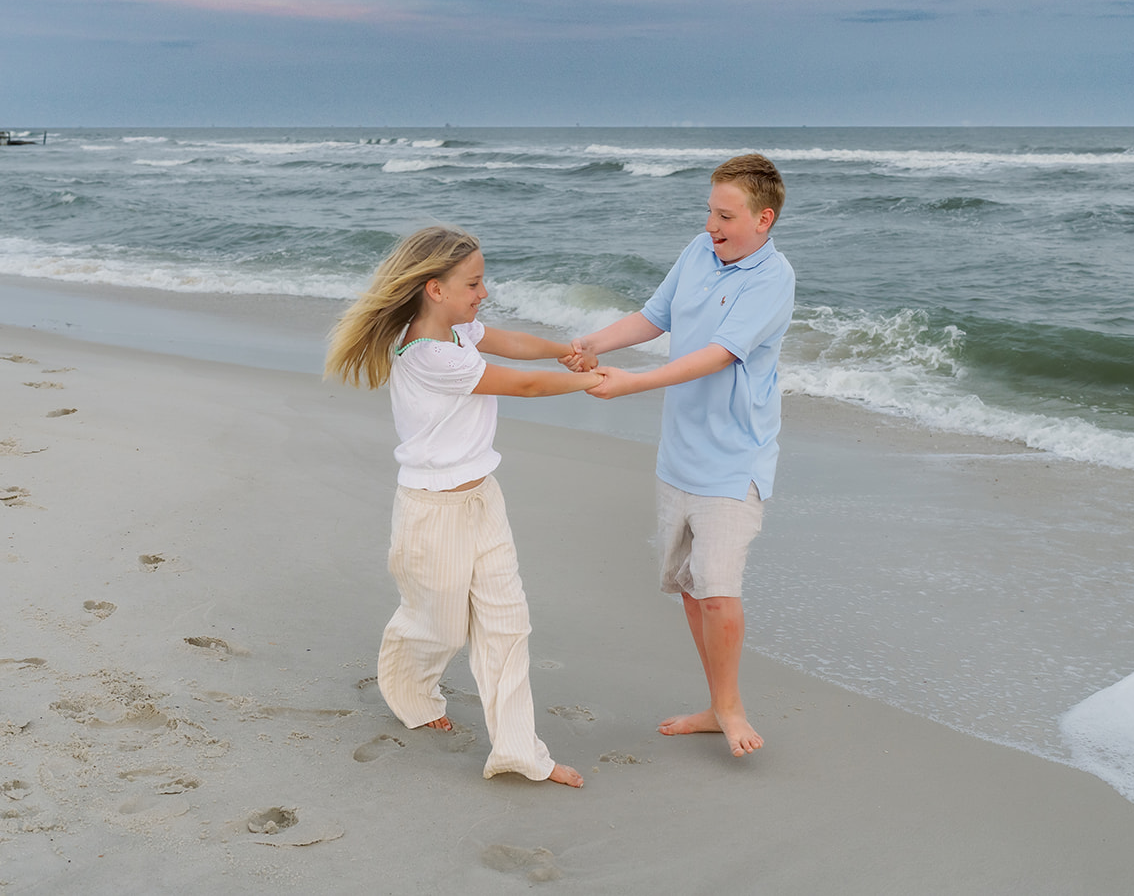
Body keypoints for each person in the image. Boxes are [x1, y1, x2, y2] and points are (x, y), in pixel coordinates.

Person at [325, 225, 601, 788]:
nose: (483, 292)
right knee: (439, 625)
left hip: (482, 499)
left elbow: (508, 342)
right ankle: (408, 688)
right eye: (473, 283)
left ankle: (519, 751)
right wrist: (593, 381)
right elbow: (520, 385)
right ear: (434, 289)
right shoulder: (427, 353)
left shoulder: (457, 333)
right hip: (431, 512)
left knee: (508, 623)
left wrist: (565, 351)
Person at [565, 153, 794, 757]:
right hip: (679, 457)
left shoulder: (772, 279)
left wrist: (632, 383)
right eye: (710, 212)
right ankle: (717, 704)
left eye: (726, 216)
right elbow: (654, 317)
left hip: (733, 461)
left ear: (763, 219)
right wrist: (593, 341)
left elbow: (719, 354)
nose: (713, 226)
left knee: (720, 589)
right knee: (693, 589)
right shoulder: (698, 252)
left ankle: (731, 706)